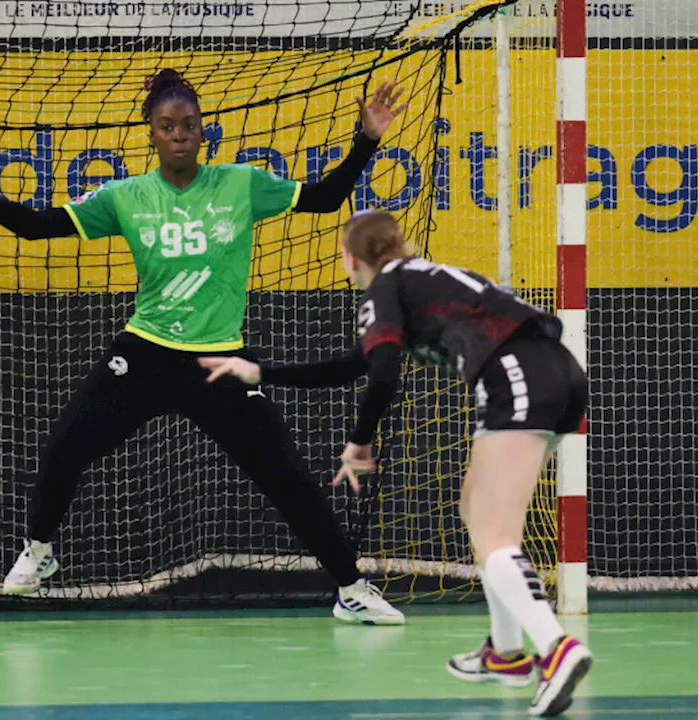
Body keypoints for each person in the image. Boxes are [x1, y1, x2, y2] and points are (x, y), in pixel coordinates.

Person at [0, 69, 407, 624]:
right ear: (151, 133)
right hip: (144, 353)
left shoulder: (241, 184)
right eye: (167, 125)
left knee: (286, 477)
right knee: (65, 448)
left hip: (219, 361)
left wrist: (367, 139)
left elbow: (326, 197)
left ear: (202, 132)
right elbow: (33, 226)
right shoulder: (127, 196)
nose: (178, 133)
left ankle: (350, 588)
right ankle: (41, 551)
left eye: (188, 124)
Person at [199, 210, 592, 716]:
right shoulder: (419, 279)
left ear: (351, 258)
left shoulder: (383, 286)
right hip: (559, 372)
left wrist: (359, 441)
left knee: (493, 535)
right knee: (477, 510)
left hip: (515, 376)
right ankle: (506, 653)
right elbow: (359, 363)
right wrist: (262, 371)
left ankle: (556, 647)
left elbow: (383, 374)